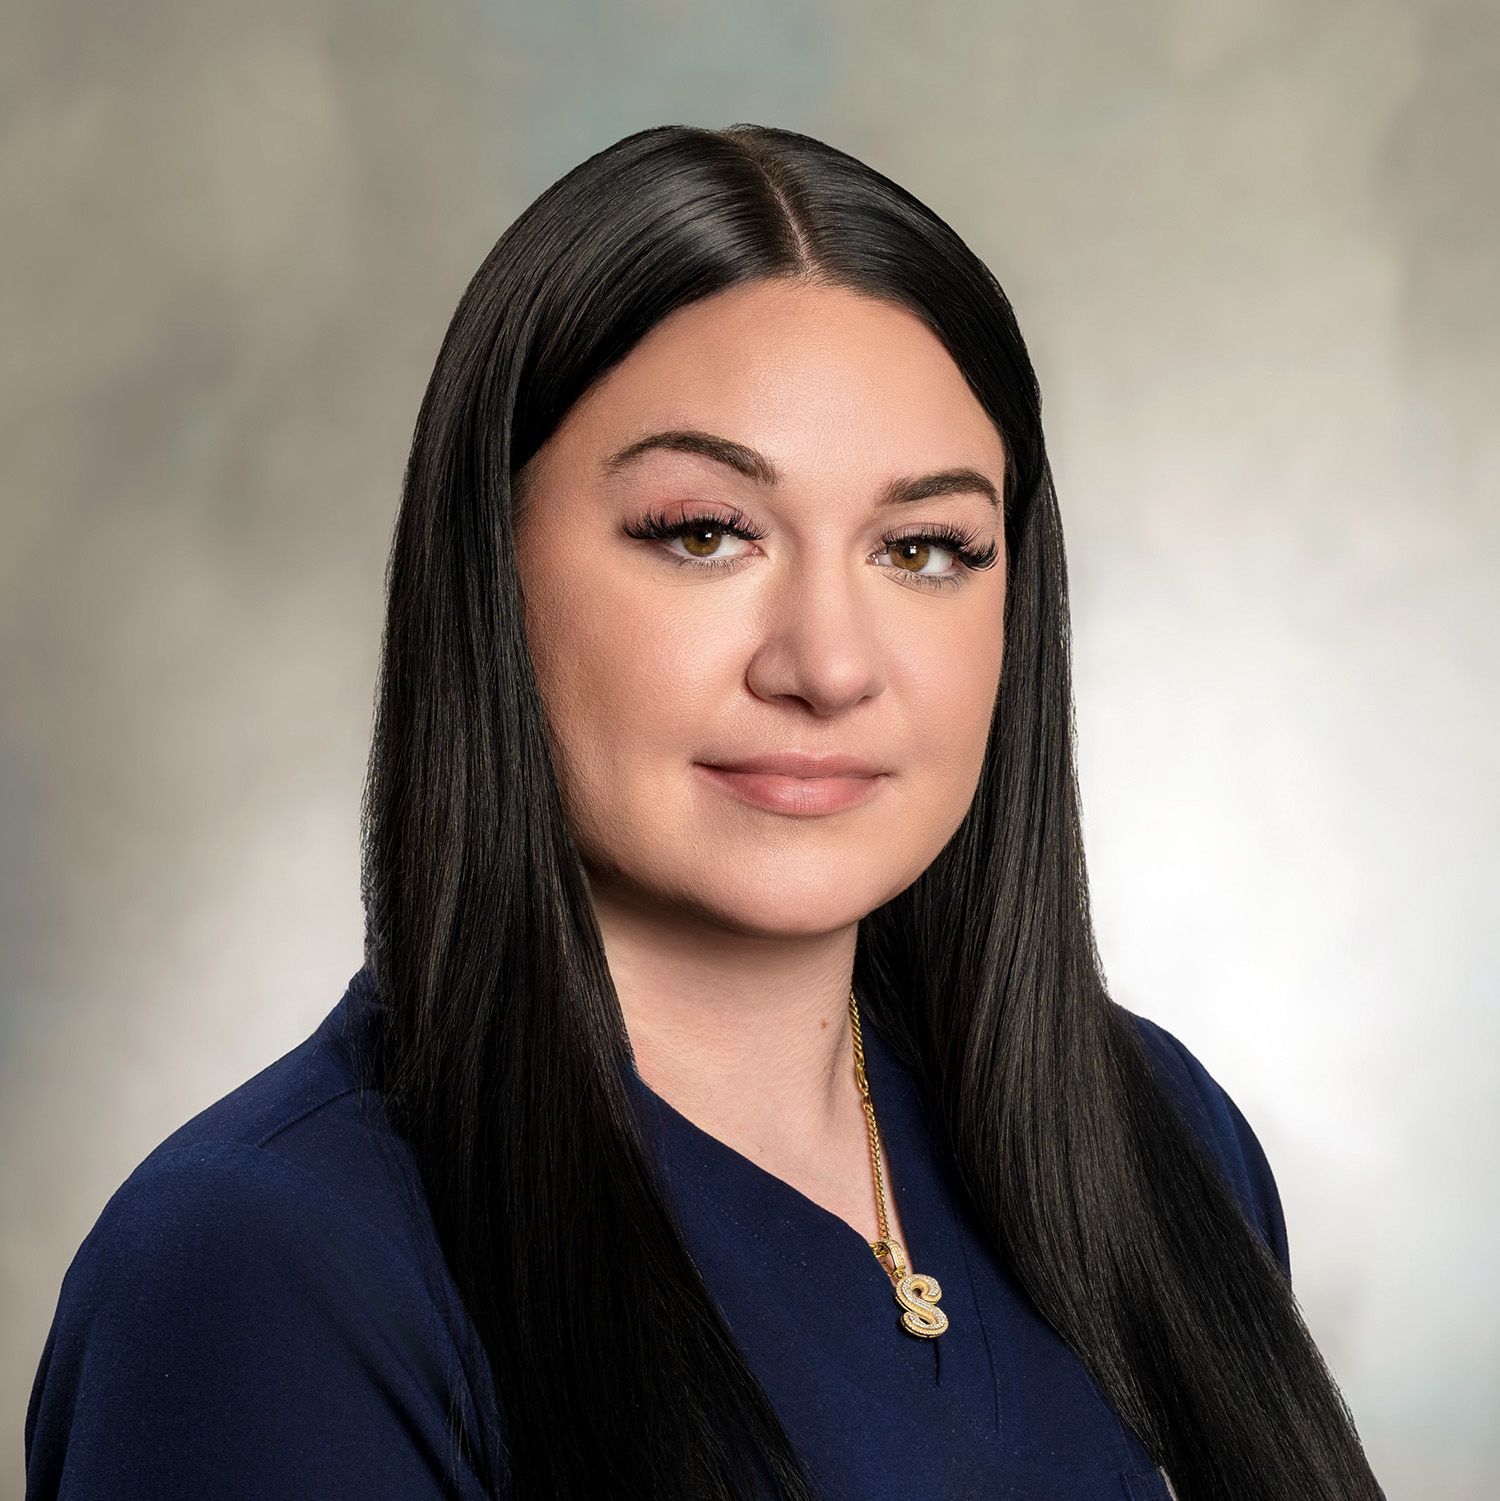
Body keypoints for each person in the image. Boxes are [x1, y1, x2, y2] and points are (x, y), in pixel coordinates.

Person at [24, 122, 1387, 1501]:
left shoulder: (1156, 1137)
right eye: (704, 531)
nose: (827, 664)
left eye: (923, 548)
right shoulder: (266, 1273)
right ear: (488, 565)